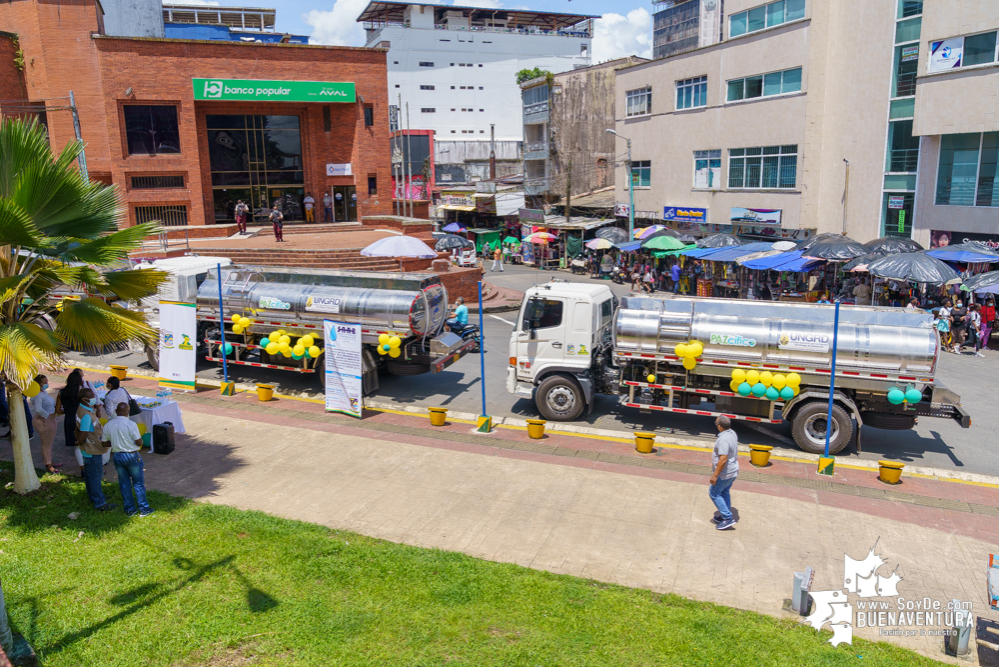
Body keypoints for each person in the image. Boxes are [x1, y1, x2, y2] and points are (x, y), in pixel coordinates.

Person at [103, 402, 153, 517]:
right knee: (138, 483)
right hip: (131, 456)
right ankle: (144, 509)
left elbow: (104, 443)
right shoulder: (131, 424)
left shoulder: (108, 425)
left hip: (117, 456)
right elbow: (139, 442)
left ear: (116, 411)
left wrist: (116, 442)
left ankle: (130, 509)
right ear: (128, 412)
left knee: (124, 483)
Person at [75, 388, 114, 512]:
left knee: (90, 475)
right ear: (84, 399)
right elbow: (83, 434)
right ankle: (100, 502)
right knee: (95, 476)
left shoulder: (83, 409)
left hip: (88, 449)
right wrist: (79, 441)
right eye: (91, 397)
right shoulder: (86, 415)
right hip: (91, 450)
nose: (93, 398)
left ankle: (94, 496)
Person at [709, 416, 739, 531]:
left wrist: (715, 475)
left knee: (714, 493)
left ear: (720, 426)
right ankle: (724, 514)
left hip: (725, 474)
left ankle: (727, 518)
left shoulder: (723, 440)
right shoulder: (732, 433)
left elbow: (723, 459)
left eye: (716, 424)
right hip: (733, 472)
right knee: (724, 492)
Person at [55, 369, 86, 476]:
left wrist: (68, 411)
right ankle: (89, 468)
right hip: (81, 419)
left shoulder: (61, 393)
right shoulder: (82, 392)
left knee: (76, 445)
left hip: (69, 419)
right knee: (86, 444)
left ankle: (83, 469)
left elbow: (58, 410)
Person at [30, 374, 58, 474]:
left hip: (51, 418)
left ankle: (50, 460)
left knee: (49, 442)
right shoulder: (37, 394)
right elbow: (38, 409)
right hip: (45, 420)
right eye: (44, 382)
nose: (47, 384)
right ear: (38, 384)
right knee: (46, 443)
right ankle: (48, 465)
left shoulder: (44, 392)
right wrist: (46, 415)